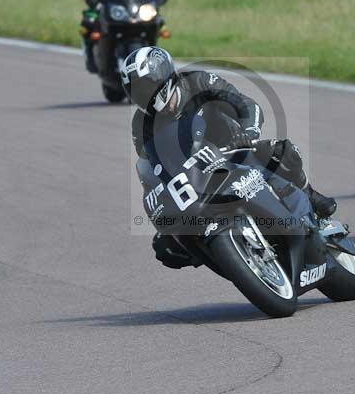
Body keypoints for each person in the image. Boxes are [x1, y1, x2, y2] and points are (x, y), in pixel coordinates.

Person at [121, 46, 337, 269]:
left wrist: (248, 132)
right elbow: (151, 165)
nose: (141, 95)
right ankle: (220, 255)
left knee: (282, 152)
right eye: (135, 90)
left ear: (163, 76)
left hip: (235, 150)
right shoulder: (140, 124)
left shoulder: (199, 82)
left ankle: (309, 196)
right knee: (165, 246)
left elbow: (245, 104)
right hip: (194, 178)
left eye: (145, 86)